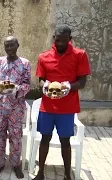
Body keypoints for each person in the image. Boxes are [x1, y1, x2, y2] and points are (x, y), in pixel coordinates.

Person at [33, 26, 91, 180]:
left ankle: (67, 175)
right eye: (57, 40)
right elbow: (40, 80)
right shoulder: (44, 57)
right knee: (45, 138)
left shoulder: (79, 55)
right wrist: (45, 85)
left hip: (67, 107)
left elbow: (83, 82)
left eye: (64, 41)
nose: (60, 44)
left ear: (69, 39)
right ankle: (40, 173)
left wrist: (68, 86)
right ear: (54, 38)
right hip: (47, 106)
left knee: (65, 140)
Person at [0, 36, 31, 178]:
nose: (9, 48)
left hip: (16, 107)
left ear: (17, 45)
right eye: (6, 46)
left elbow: (27, 85)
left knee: (16, 137)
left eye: (12, 45)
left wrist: (16, 89)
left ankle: (15, 164)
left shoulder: (25, 64)